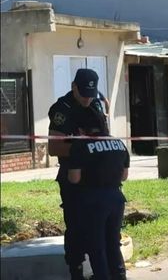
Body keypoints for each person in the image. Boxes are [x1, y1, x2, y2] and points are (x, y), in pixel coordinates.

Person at [48, 68, 107, 280]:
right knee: (76, 225)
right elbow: (54, 148)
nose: (87, 99)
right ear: (74, 87)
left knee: (101, 225)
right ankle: (76, 271)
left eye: (91, 94)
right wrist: (83, 147)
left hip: (99, 176)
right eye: (83, 94)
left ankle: (103, 271)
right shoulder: (62, 109)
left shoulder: (97, 102)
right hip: (72, 175)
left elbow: (104, 136)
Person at [65, 127, 129, 280]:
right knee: (113, 242)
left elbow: (74, 178)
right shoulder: (118, 143)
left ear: (81, 130)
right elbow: (124, 176)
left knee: (97, 245)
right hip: (116, 198)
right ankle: (119, 275)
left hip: (93, 200)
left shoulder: (80, 145)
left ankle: (102, 276)